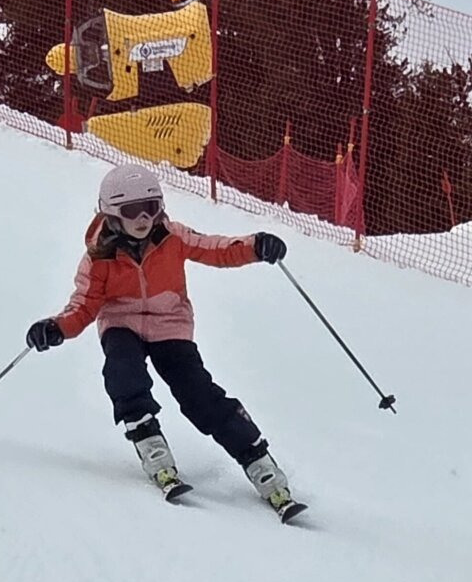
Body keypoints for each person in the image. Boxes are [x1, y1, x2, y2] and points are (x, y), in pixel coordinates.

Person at [25, 163, 297, 512]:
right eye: (132, 211)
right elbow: (83, 307)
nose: (143, 218)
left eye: (150, 208)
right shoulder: (98, 258)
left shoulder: (172, 236)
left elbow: (216, 249)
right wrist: (56, 327)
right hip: (122, 323)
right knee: (123, 371)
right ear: (111, 214)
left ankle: (256, 458)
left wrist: (256, 246)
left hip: (170, 324)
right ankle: (147, 436)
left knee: (197, 393)